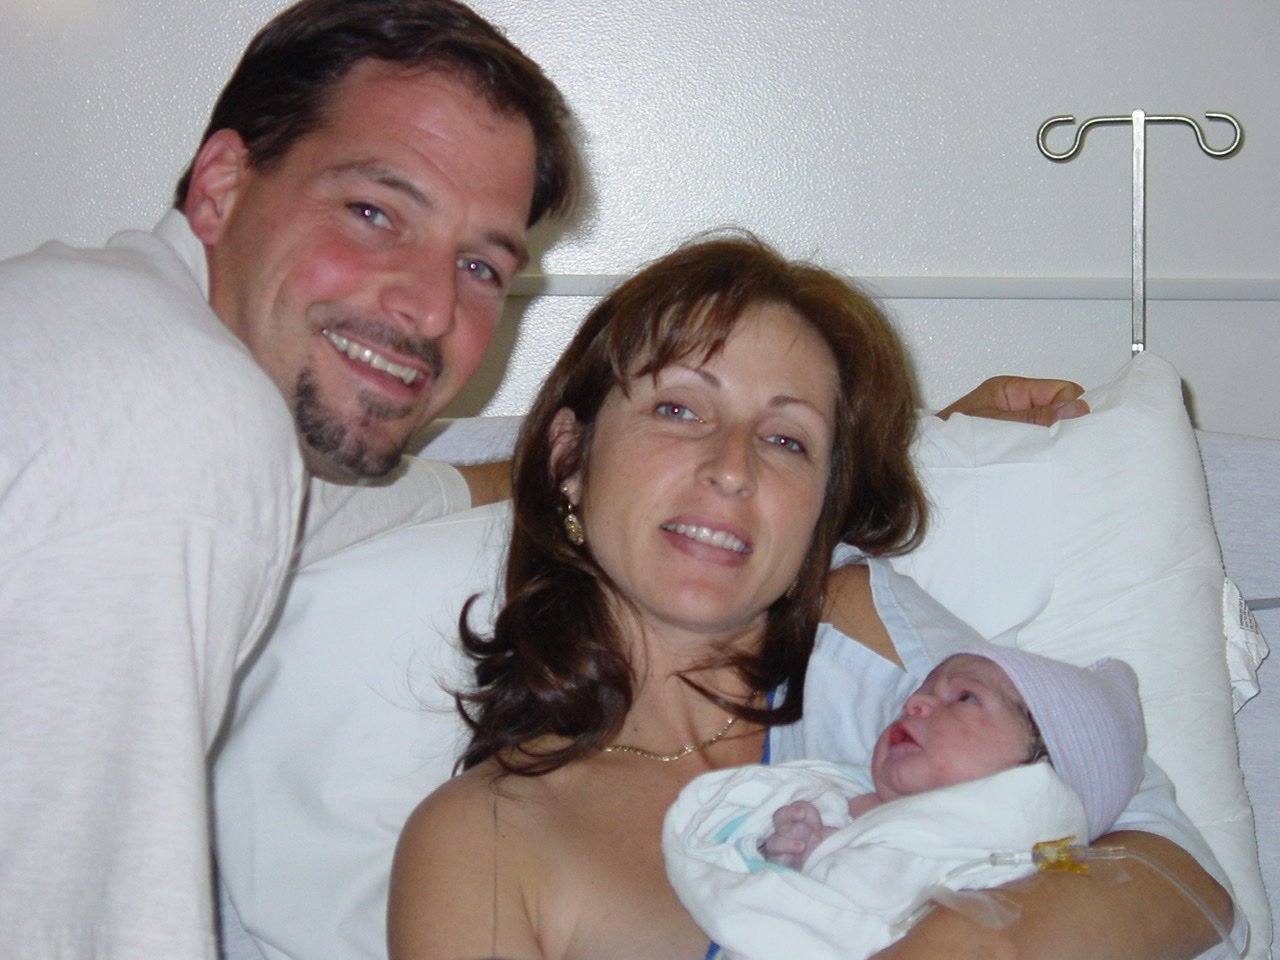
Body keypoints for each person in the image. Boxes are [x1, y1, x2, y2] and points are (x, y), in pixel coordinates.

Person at [386, 234, 1233, 960]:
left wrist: (967, 940)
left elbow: (1180, 875)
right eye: (679, 409)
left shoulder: (868, 637)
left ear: (822, 510)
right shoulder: (486, 842)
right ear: (568, 458)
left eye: (787, 439)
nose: (732, 467)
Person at [0, 1, 575, 956]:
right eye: (374, 212)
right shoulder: (182, 423)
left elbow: (317, 511)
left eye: (479, 265)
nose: (432, 309)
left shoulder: (104, 330)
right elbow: (75, 926)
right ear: (221, 186)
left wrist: (532, 472)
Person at [663, 646, 1148, 960]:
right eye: (919, 694)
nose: (915, 704)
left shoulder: (1016, 858)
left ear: (1041, 766)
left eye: (966, 698)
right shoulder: (835, 798)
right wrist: (789, 855)